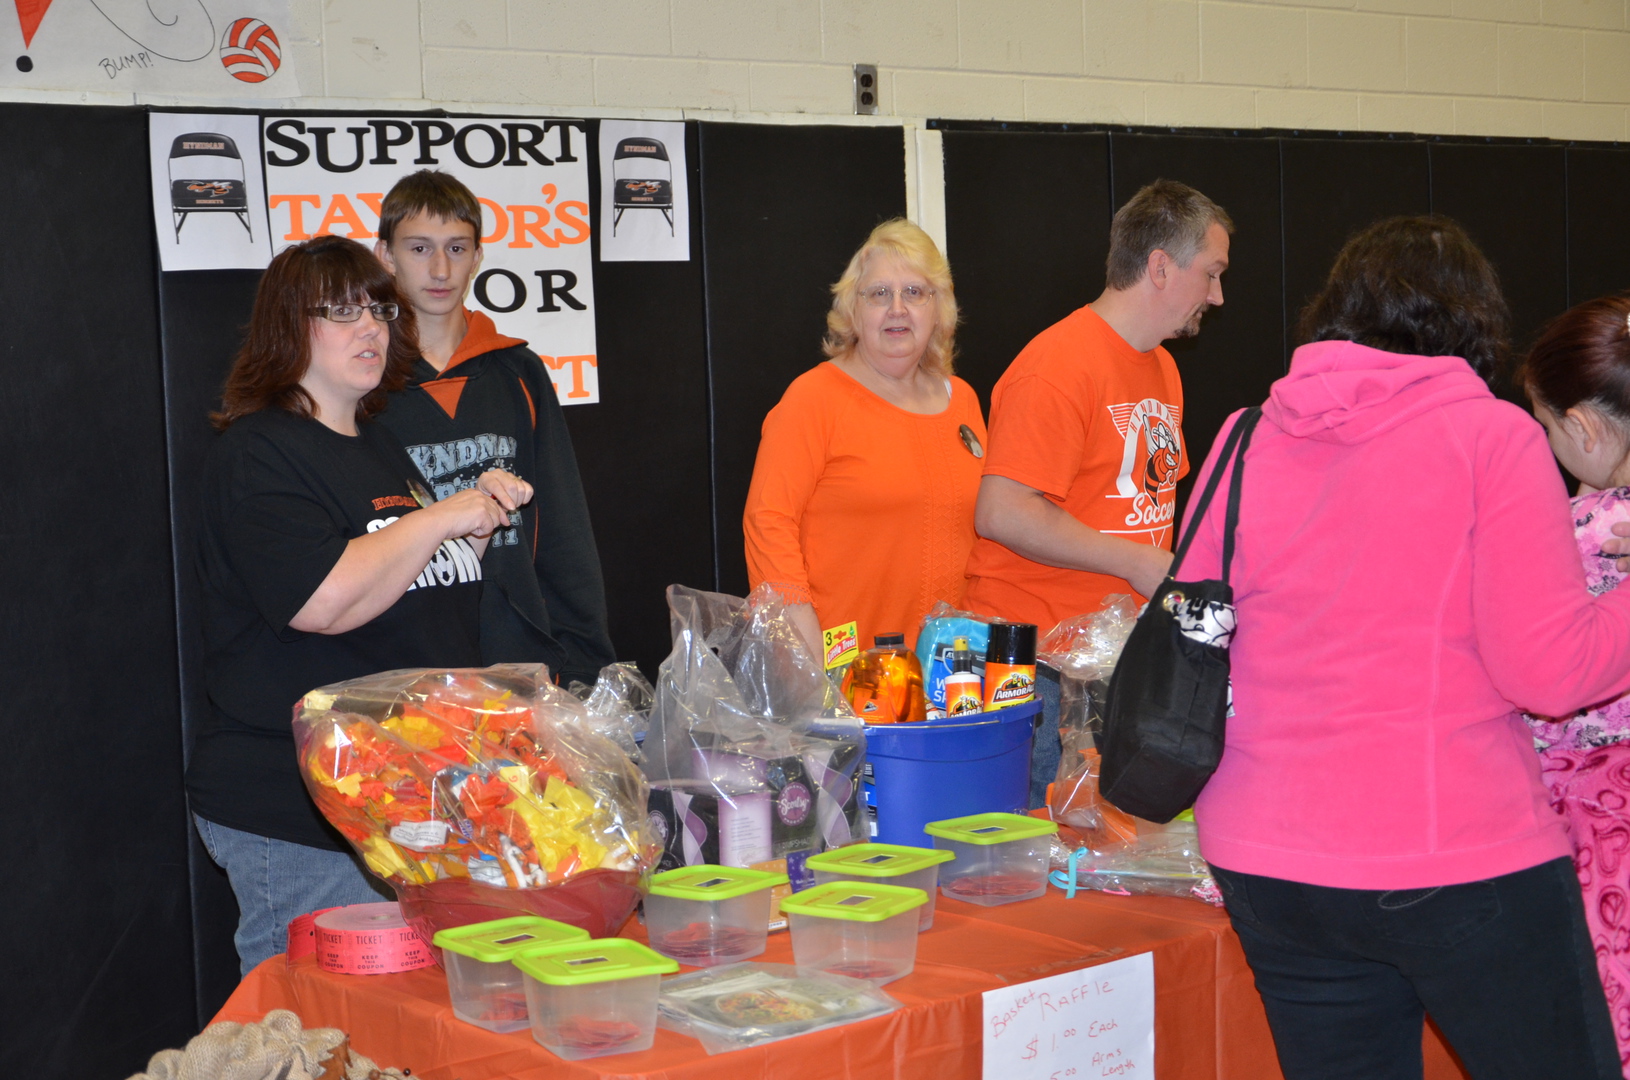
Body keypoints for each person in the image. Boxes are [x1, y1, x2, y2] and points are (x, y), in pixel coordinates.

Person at [1181, 216, 1630, 1079]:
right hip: (1449, 844)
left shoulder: (1241, 438)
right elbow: (1551, 671)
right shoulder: (1493, 437)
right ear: (1475, 325)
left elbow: (1199, 629)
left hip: (1265, 856)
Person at [187, 235, 533, 974]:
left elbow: (408, 583)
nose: (371, 327)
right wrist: (439, 518)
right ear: (288, 327)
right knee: (307, 1020)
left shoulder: (379, 444)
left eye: (379, 310)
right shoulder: (258, 452)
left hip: (392, 800)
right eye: (342, 312)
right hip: (296, 808)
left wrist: (472, 528)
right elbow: (321, 601)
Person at [964, 179, 1232, 804]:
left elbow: (1145, 503)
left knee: (1111, 843)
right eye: (1212, 274)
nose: (1218, 296)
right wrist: (1136, 562)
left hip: (1111, 658)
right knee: (1039, 844)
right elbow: (1001, 511)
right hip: (1035, 667)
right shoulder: (1057, 366)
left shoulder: (1162, 366)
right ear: (1160, 268)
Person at [373, 169, 614, 687]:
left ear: (478, 256)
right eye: (419, 248)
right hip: (404, 657)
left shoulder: (518, 372)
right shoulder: (365, 381)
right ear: (386, 255)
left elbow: (564, 529)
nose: (440, 268)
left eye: (457, 249)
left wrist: (583, 665)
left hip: (518, 656)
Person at [743, 218, 986, 659]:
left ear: (939, 307)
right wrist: (803, 650)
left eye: (914, 292)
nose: (897, 308)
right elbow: (768, 521)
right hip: (848, 669)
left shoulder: (964, 400)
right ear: (853, 311)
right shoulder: (813, 398)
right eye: (879, 294)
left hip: (952, 668)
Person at [1519, 294, 1630, 1076]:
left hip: (1589, 824)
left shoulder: (1578, 535)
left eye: (1547, 426)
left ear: (1584, 427)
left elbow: (1532, 682)